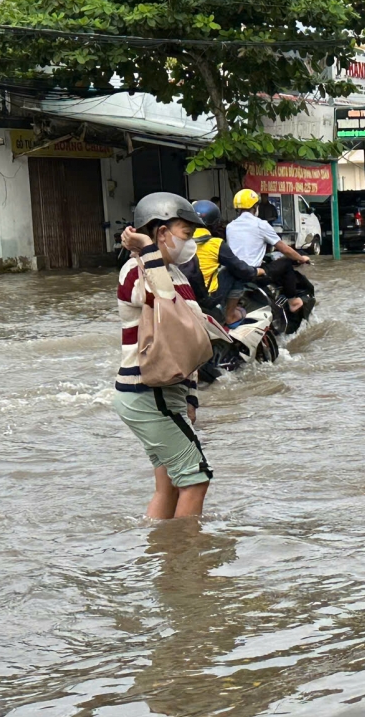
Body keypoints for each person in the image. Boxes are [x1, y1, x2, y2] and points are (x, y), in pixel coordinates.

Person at [112, 192, 214, 520]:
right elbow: (164, 305)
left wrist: (192, 398)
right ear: (160, 233)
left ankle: (163, 552)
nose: (190, 243)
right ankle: (186, 560)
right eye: (185, 233)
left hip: (165, 392)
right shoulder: (136, 270)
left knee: (170, 483)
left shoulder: (176, 273)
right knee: (196, 479)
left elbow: (188, 341)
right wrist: (146, 251)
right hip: (146, 392)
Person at [226, 189, 312, 321]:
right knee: (287, 262)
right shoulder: (261, 224)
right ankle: (293, 301)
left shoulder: (230, 226)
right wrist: (301, 259)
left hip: (236, 274)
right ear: (255, 207)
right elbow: (285, 249)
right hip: (255, 274)